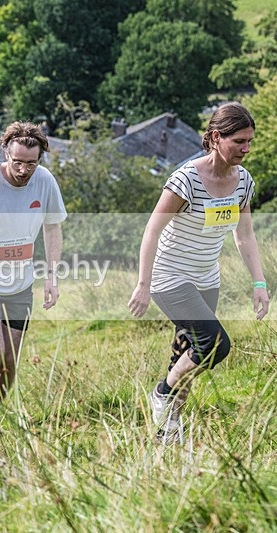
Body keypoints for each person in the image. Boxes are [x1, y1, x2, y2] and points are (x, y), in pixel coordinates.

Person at [128, 102, 269, 443]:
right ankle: (161, 394)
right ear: (217, 137)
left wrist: (259, 282)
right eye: (239, 141)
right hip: (170, 277)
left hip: (207, 279)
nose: (246, 149)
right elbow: (152, 230)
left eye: (250, 141)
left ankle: (168, 427)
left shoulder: (243, 181)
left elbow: (244, 234)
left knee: (187, 353)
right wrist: (144, 284)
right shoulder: (186, 179)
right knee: (214, 345)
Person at [0, 122, 67, 431]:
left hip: (20, 286)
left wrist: (52, 276)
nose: (23, 170)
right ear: (5, 153)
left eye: (31, 164)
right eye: (17, 162)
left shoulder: (45, 181)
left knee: (9, 362)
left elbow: (52, 227)